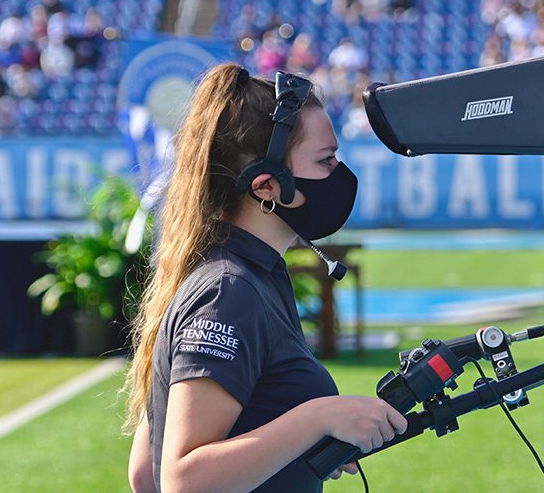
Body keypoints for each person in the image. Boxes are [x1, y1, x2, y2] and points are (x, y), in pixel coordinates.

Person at [123, 63, 407, 492]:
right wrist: (319, 418)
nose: (339, 173)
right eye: (325, 160)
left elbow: (146, 472)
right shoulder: (229, 291)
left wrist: (291, 451)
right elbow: (183, 481)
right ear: (266, 186)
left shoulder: (252, 274)